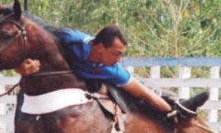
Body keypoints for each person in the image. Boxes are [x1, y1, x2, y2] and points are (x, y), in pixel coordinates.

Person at [15, 25, 205, 122]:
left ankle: (179, 105)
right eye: (116, 54)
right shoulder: (70, 39)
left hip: (94, 86)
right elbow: (29, 45)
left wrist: (171, 112)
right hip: (54, 90)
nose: (119, 59)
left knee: (142, 92)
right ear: (99, 48)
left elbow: (145, 94)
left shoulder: (113, 69)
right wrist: (22, 68)